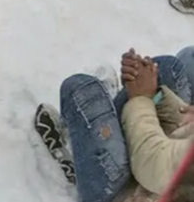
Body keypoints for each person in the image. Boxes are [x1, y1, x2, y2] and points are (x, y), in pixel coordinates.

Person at [33, 47, 194, 201]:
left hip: (136, 188)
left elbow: (154, 166)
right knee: (168, 67)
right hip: (164, 159)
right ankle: (104, 126)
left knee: (81, 90)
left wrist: (141, 98)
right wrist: (156, 95)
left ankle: (80, 150)